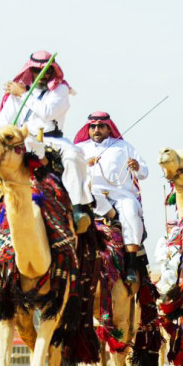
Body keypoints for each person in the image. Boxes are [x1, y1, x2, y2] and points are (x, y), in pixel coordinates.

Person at [0, 50, 95, 232]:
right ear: (30, 70)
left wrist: (24, 93)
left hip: (53, 141)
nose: (42, 75)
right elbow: (2, 123)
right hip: (24, 141)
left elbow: (48, 111)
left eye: (47, 71)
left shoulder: (60, 89)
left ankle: (79, 209)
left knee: (73, 158)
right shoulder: (16, 91)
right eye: (37, 71)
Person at [73, 112, 149, 284]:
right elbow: (69, 171)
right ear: (88, 128)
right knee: (87, 193)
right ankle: (113, 218)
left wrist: (136, 166)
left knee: (130, 212)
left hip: (121, 196)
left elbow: (144, 172)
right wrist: (85, 164)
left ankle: (130, 264)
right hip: (94, 196)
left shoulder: (124, 147)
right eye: (93, 126)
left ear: (109, 128)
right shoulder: (80, 148)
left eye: (101, 126)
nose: (97, 130)